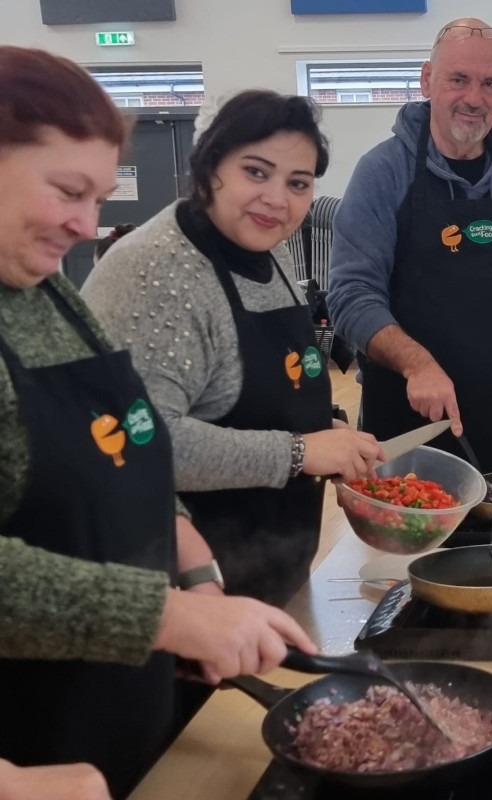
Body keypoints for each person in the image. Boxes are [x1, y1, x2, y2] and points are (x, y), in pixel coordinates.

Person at [0, 46, 317, 800]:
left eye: (100, 194)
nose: (87, 226)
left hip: (124, 705)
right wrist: (166, 616)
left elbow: (134, 445)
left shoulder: (45, 292)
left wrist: (197, 577)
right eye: (69, 191)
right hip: (35, 737)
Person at [83, 90, 384, 608]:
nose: (277, 199)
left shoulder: (272, 253)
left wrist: (323, 427)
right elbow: (142, 444)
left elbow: (259, 394)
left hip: (272, 579)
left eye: (298, 183)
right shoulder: (158, 270)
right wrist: (300, 451)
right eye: (256, 172)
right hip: (180, 596)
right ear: (208, 167)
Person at [327, 17, 492, 474]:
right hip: (405, 433)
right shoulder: (382, 175)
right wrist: (417, 364)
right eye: (458, 79)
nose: (473, 98)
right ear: (428, 79)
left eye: (488, 84)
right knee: (408, 549)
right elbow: (350, 296)